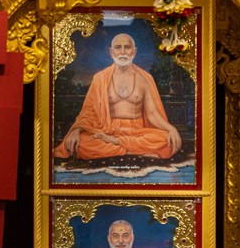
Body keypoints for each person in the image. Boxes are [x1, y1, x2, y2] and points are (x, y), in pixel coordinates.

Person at [53, 33, 182, 161]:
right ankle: (132, 150)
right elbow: (88, 112)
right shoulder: (100, 78)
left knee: (165, 139)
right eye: (118, 47)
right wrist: (76, 131)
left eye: (127, 47)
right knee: (81, 143)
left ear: (134, 52)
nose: (123, 52)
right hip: (107, 130)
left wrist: (171, 129)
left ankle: (117, 144)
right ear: (111, 52)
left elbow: (152, 113)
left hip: (136, 131)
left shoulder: (144, 79)